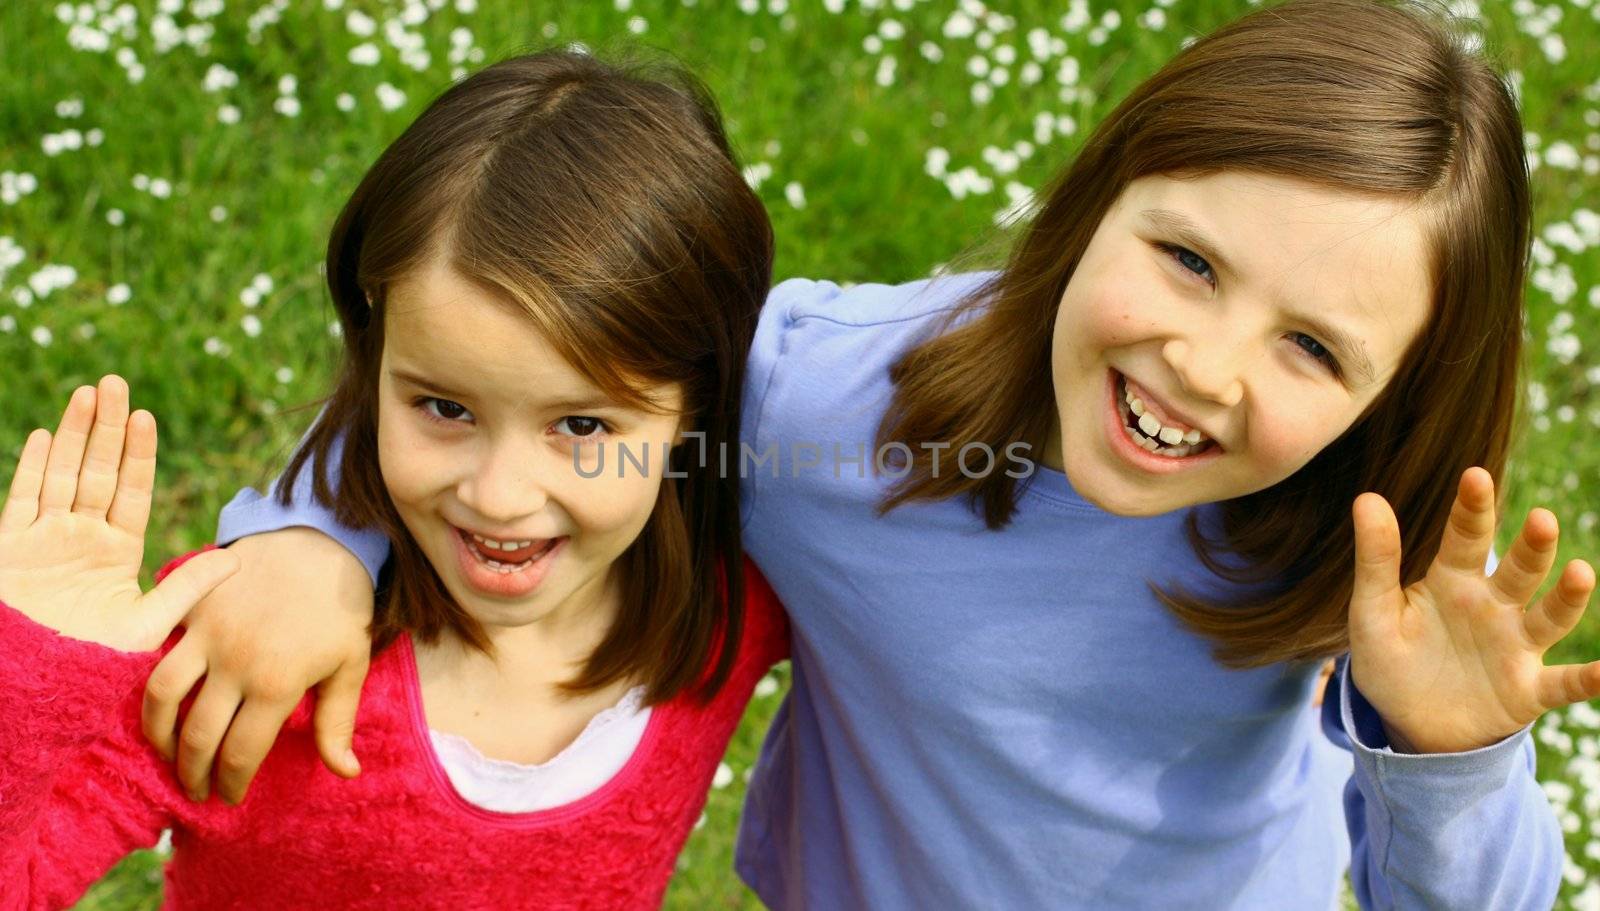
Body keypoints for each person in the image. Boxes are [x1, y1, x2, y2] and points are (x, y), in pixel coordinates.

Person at [142, 0, 1599, 907]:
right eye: (1190, 260)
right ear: (1099, 195)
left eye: (1312, 349)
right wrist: (310, 535)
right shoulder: (823, 404)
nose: (1204, 368)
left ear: (1387, 393)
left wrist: (1453, 757)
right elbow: (529, 399)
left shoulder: (1347, 554)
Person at [0, 48, 788, 910]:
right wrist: (26, 678)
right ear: (374, 362)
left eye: (583, 424)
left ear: (697, 411)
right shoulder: (247, 644)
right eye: (445, 407)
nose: (498, 494)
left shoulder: (737, 602)